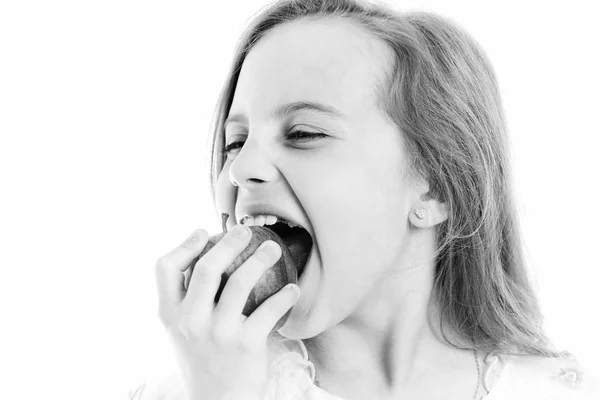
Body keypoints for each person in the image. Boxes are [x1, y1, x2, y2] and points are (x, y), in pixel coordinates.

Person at [130, 0, 599, 399]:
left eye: (303, 133)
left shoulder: (551, 389)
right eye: (235, 141)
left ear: (435, 187)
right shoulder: (194, 387)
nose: (240, 167)